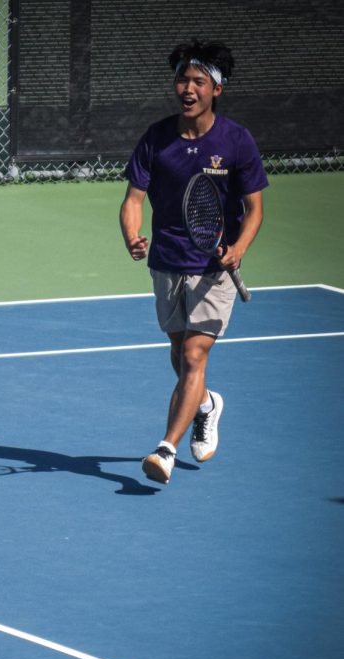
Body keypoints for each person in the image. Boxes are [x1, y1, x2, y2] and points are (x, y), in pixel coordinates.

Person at [119, 39, 268, 484]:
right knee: (178, 356)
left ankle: (165, 449)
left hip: (213, 269)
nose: (188, 88)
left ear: (216, 90)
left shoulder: (236, 141)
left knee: (193, 354)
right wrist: (132, 235)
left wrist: (239, 248)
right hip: (166, 261)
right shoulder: (156, 138)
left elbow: (255, 208)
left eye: (198, 81)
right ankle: (206, 405)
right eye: (182, 79)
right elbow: (132, 199)